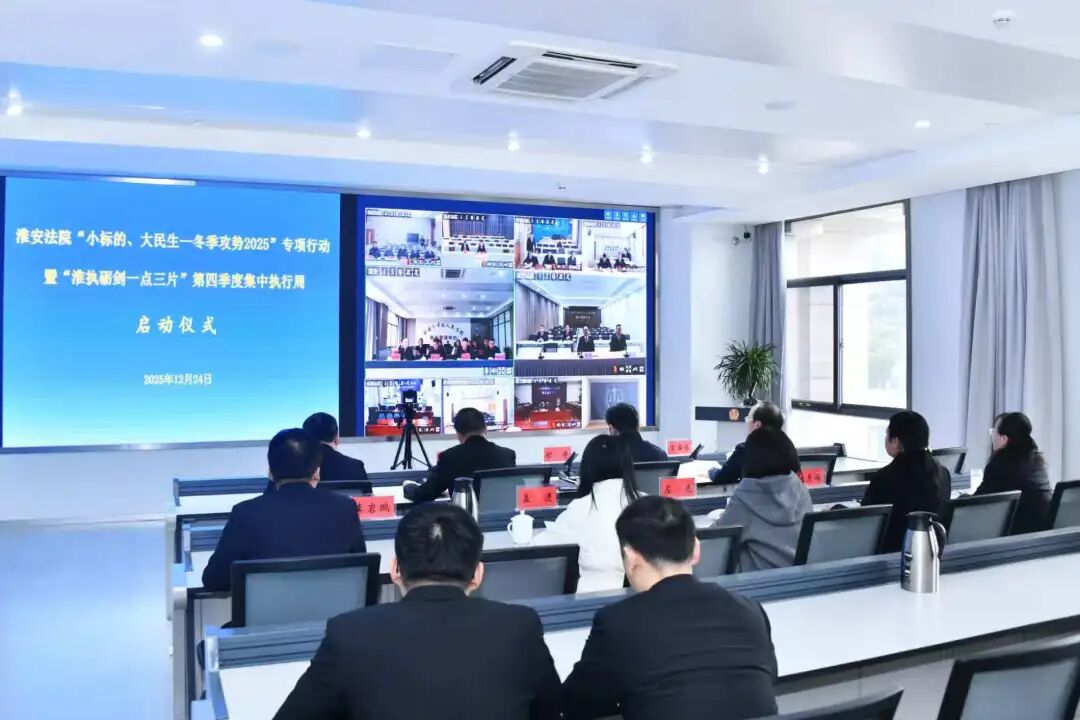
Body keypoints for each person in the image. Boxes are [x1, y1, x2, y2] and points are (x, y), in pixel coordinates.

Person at [273, 504, 561, 720]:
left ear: (395, 569)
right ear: (477, 574)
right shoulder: (520, 626)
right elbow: (552, 711)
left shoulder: (348, 634)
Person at [562, 496, 778, 720]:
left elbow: (576, 704)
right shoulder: (750, 611)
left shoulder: (617, 624)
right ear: (696, 549)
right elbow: (769, 678)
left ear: (631, 558)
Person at [202, 428, 367, 591]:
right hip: (331, 608)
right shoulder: (345, 508)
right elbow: (361, 572)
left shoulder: (245, 513)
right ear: (317, 472)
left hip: (267, 609)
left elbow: (215, 580)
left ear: (270, 473)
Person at [534, 435, 641, 592]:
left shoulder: (581, 508)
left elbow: (540, 552)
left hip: (591, 601)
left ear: (587, 468)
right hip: (645, 597)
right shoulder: (649, 504)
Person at [713, 427, 812, 572]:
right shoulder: (800, 489)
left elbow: (715, 538)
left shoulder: (746, 495)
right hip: (801, 579)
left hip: (760, 582)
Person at [861, 411, 948, 552]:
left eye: (887, 435)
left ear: (895, 441)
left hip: (890, 556)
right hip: (930, 552)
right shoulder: (942, 474)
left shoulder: (883, 478)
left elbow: (865, 522)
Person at [404, 408, 516, 503]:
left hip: (465, 520)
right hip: (502, 520)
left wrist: (408, 486)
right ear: (485, 430)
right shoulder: (508, 455)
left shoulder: (449, 457)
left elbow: (425, 494)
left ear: (458, 434)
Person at [977, 412, 1052, 534]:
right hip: (1043, 532)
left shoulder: (999, 464)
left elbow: (977, 502)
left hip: (1017, 533)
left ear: (1004, 439)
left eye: (993, 433)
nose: (992, 438)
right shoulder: (1037, 461)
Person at [708, 401, 784, 484]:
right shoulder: (785, 451)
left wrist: (712, 470)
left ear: (757, 424)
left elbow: (721, 478)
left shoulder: (744, 450)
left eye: (748, 419)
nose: (747, 423)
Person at [302, 412, 372, 488]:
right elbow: (368, 495)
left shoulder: (298, 468)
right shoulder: (356, 466)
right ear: (336, 436)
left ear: (305, 439)